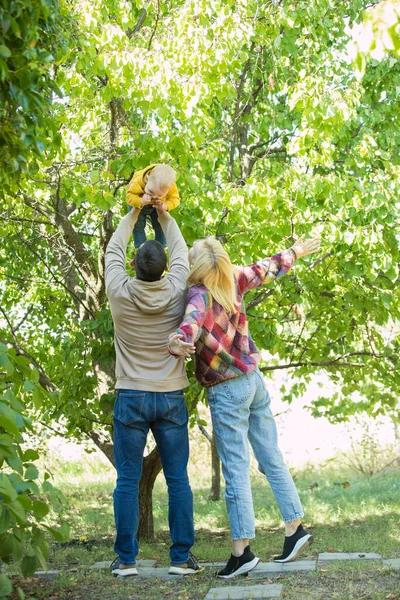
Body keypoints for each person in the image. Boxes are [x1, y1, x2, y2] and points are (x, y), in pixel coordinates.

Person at [168, 234, 321, 579]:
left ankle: (242, 552)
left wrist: (179, 340)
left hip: (228, 391)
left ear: (197, 266)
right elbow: (266, 268)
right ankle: (294, 528)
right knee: (270, 455)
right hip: (254, 382)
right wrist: (295, 251)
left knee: (236, 468)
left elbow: (190, 323)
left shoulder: (198, 295)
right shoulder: (234, 278)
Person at [105, 201, 201, 578]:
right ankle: (180, 558)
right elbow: (180, 248)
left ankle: (126, 560)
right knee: (178, 478)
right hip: (171, 396)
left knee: (127, 479)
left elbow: (114, 247)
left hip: (131, 395)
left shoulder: (118, 290)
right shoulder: (179, 286)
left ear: (133, 266)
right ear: (165, 269)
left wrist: (134, 212)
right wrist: (162, 213)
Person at [126, 163, 180, 249]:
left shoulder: (169, 185)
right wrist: (141, 201)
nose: (153, 197)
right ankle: (141, 247)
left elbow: (175, 199)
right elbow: (129, 197)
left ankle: (160, 247)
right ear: (147, 179)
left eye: (159, 195)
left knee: (161, 223)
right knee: (137, 224)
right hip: (139, 201)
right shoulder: (138, 181)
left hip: (158, 205)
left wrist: (165, 206)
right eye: (150, 192)